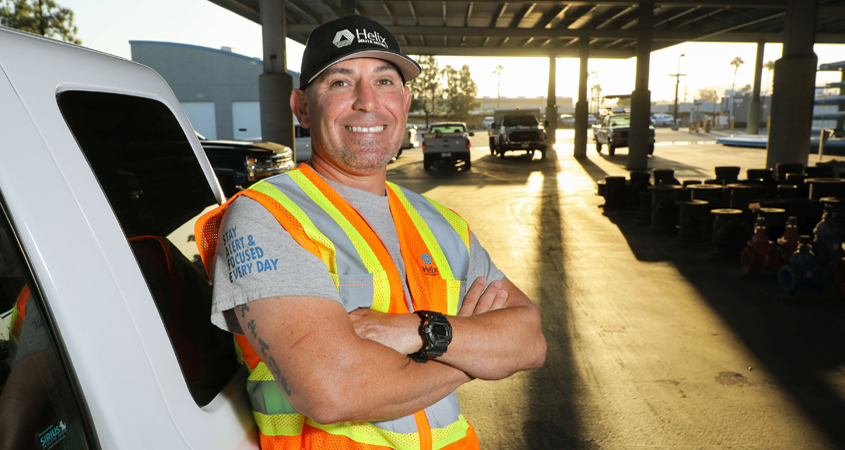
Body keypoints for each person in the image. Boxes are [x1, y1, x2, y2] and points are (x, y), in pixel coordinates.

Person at [195, 14, 546, 450]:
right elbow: (335, 390)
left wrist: (419, 331)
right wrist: (477, 353)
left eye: (384, 81)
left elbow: (528, 338)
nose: (367, 102)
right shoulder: (268, 217)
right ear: (302, 107)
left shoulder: (442, 223)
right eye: (341, 83)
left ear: (405, 99)